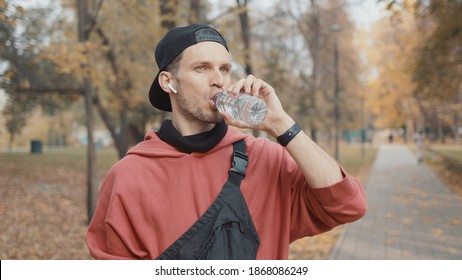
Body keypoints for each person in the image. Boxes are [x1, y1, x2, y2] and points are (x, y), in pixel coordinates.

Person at [87, 24, 367, 260]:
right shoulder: (128, 177)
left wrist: (281, 124)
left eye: (224, 69)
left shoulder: (267, 159)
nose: (218, 80)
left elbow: (348, 205)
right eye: (201, 68)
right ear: (168, 81)